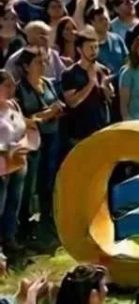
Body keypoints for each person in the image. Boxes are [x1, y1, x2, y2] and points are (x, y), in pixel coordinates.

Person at [14, 49, 62, 235]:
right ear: (26, 66)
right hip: (31, 143)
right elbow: (21, 118)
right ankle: (23, 225)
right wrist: (48, 113)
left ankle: (46, 218)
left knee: (48, 180)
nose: (43, 65)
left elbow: (56, 105)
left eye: (44, 62)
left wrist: (55, 111)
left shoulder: (48, 84)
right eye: (38, 62)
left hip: (52, 138)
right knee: (29, 184)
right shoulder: (19, 89)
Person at [61, 31, 114, 149]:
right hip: (79, 133)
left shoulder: (103, 70)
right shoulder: (70, 74)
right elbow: (72, 102)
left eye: (96, 47)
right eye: (90, 47)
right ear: (79, 49)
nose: (94, 51)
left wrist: (107, 89)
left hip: (101, 129)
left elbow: (110, 97)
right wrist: (91, 83)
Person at [0, 69, 33, 255]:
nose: (11, 89)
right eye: (7, 85)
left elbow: (23, 128)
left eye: (12, 85)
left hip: (19, 163)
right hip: (2, 167)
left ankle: (10, 238)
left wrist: (24, 144)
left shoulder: (13, 104)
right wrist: (7, 150)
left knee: (13, 203)